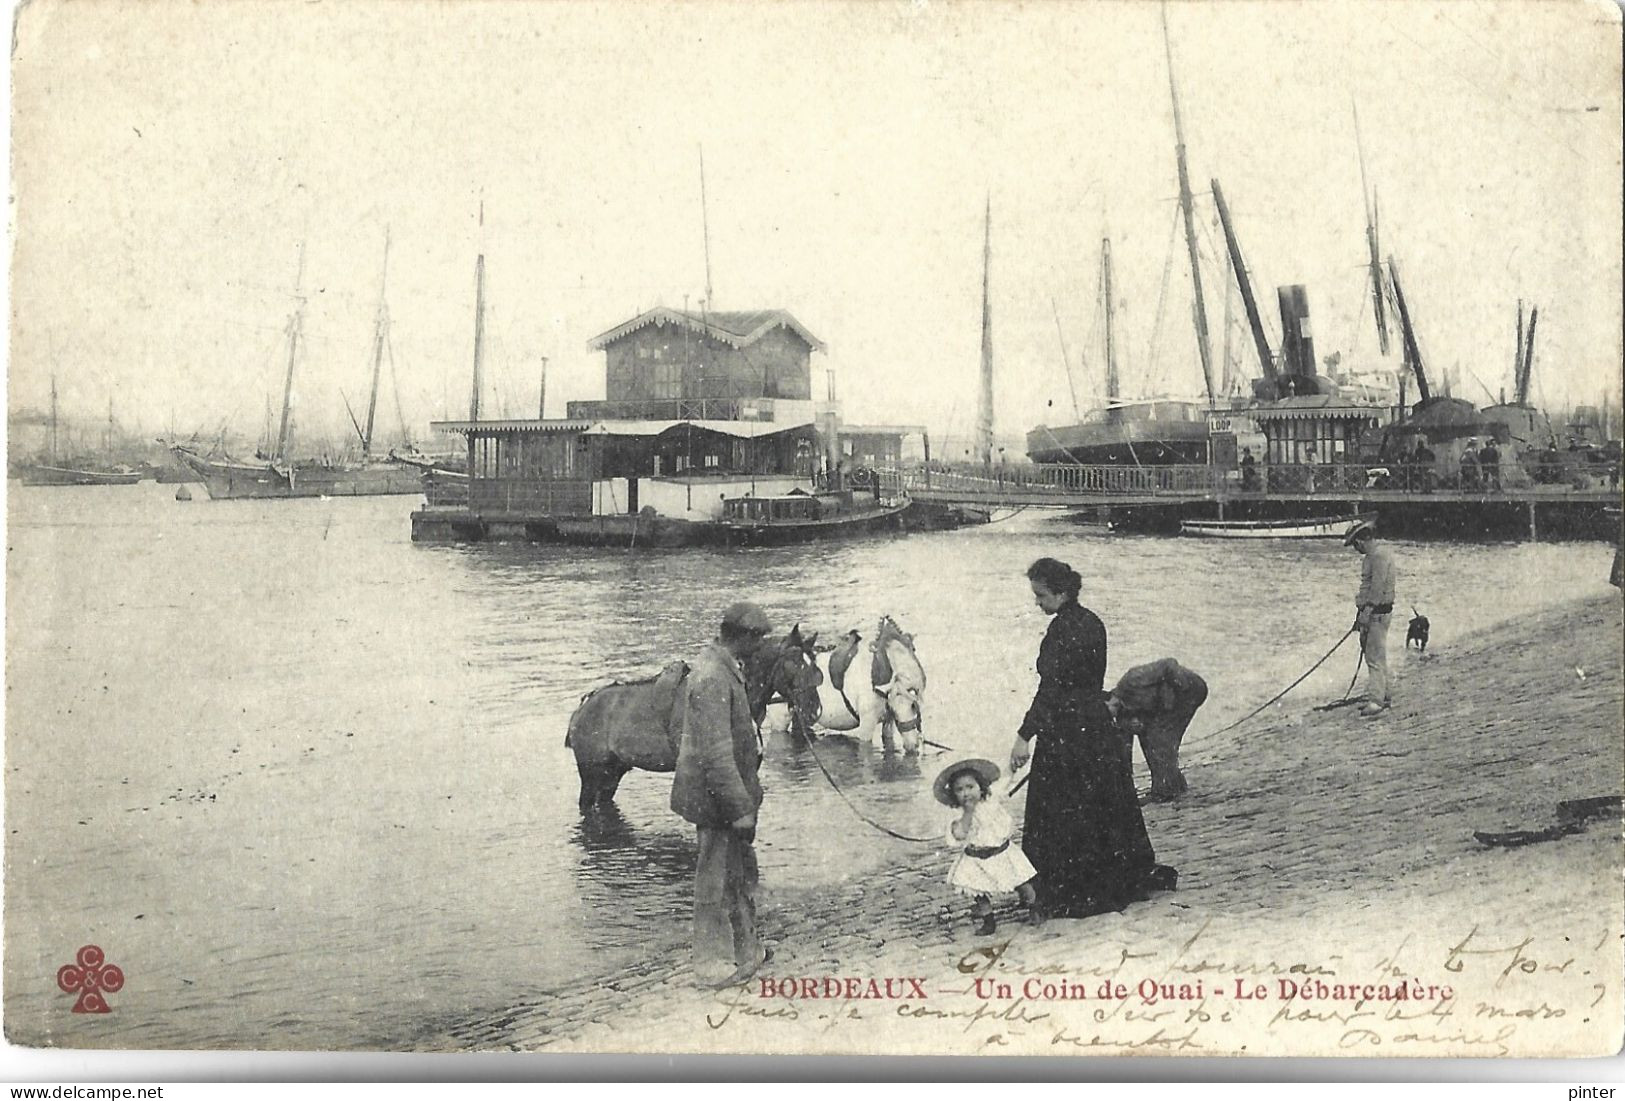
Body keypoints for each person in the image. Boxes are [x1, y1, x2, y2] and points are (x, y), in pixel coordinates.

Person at [1009, 557, 1169, 918]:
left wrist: (1024, 735)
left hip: (1065, 732)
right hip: (1095, 726)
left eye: (1041, 596)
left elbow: (1050, 691)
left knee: (1062, 809)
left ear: (1062, 593)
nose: (1037, 603)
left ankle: (1071, 886)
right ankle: (1118, 877)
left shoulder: (1060, 631)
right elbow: (1087, 682)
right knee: (1104, 805)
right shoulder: (1092, 621)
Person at [670, 600, 774, 987]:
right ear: (743, 636)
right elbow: (715, 754)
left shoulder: (729, 669)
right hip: (717, 800)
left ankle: (747, 950)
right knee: (713, 879)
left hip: (732, 796)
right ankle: (711, 964)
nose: (761, 645)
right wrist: (740, 809)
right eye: (758, 638)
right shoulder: (712, 676)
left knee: (741, 872)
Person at [935, 758, 1039, 935]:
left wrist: (1013, 767)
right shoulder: (957, 813)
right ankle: (988, 920)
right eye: (959, 790)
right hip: (975, 857)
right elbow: (959, 834)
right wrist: (967, 813)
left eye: (970, 787)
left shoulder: (991, 800)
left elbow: (1005, 782)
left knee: (1022, 882)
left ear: (981, 787)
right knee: (977, 890)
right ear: (953, 794)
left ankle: (1035, 908)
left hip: (1001, 852)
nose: (966, 793)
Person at [1109, 658, 1209, 803]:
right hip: (1167, 707)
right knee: (1151, 740)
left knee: (1158, 739)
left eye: (1107, 708)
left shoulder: (1131, 680)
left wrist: (1174, 692)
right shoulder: (1121, 716)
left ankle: (1167, 791)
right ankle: (1171, 787)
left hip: (1190, 690)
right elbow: (1125, 754)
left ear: (1111, 698)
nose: (1109, 715)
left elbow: (1169, 664)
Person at [1345, 521, 1397, 717]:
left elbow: (1376, 588)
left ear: (1361, 540)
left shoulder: (1378, 556)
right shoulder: (1375, 556)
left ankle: (1376, 701)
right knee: (1377, 656)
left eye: (1355, 544)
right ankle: (1384, 695)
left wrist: (1366, 613)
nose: (1355, 549)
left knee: (1374, 658)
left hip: (1376, 613)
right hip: (1374, 612)